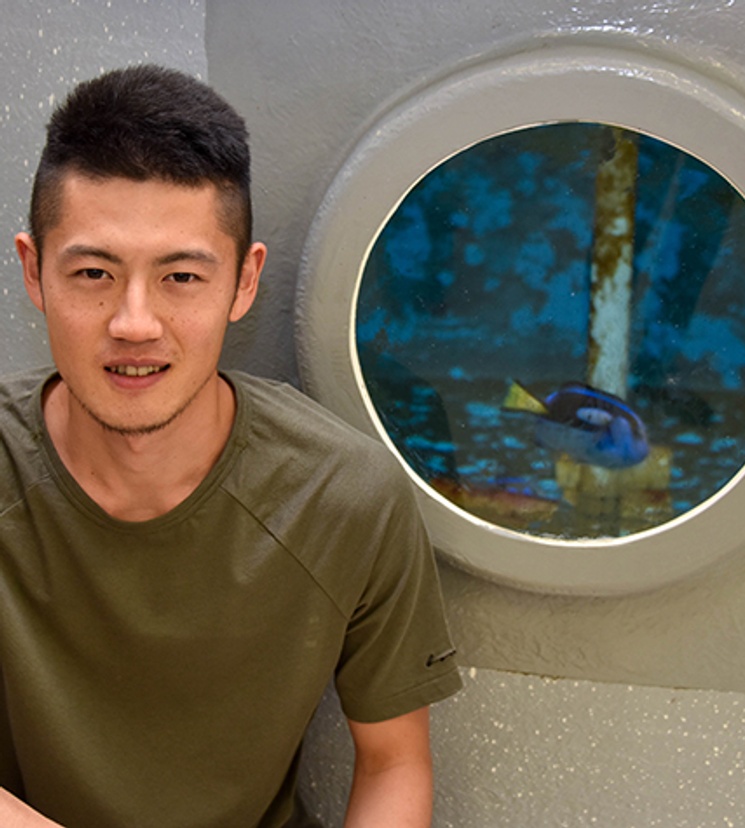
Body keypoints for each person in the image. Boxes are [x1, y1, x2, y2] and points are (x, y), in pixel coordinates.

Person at [0, 65, 462, 827]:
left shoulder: (343, 495)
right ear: (33, 271)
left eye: (181, 275)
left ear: (244, 283)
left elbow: (394, 763)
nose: (135, 322)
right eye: (93, 273)